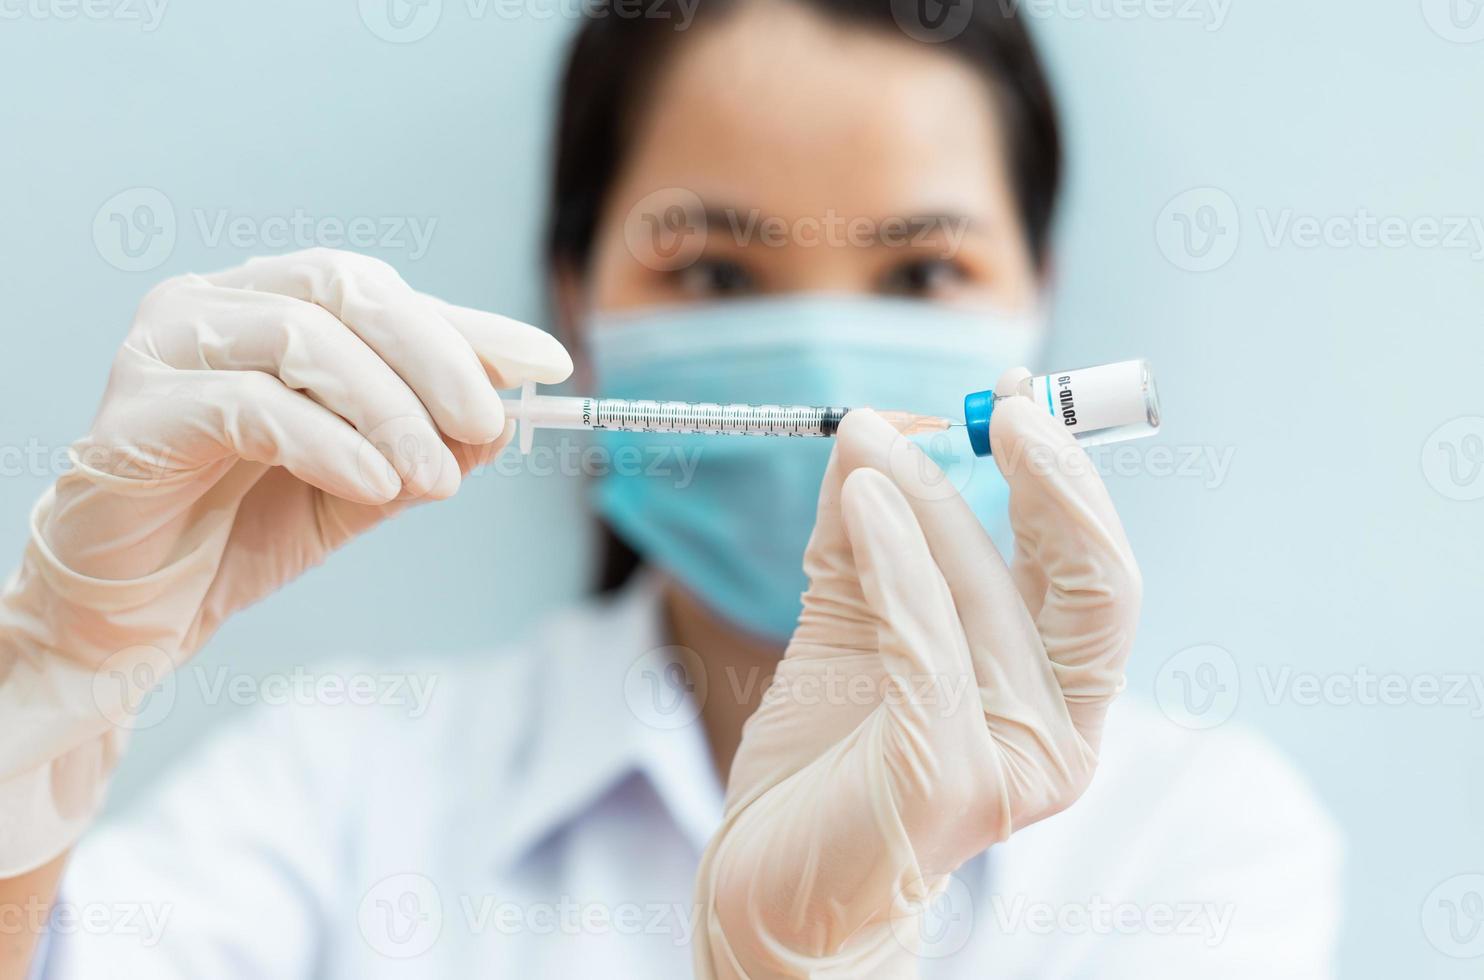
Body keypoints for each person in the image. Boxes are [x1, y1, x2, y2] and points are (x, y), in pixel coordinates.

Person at [0, 0, 1342, 976]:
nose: (826, 355)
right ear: (576, 301)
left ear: (1039, 300)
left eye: (923, 273)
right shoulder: (349, 786)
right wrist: (49, 696)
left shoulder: (1194, 841)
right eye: (711, 272)